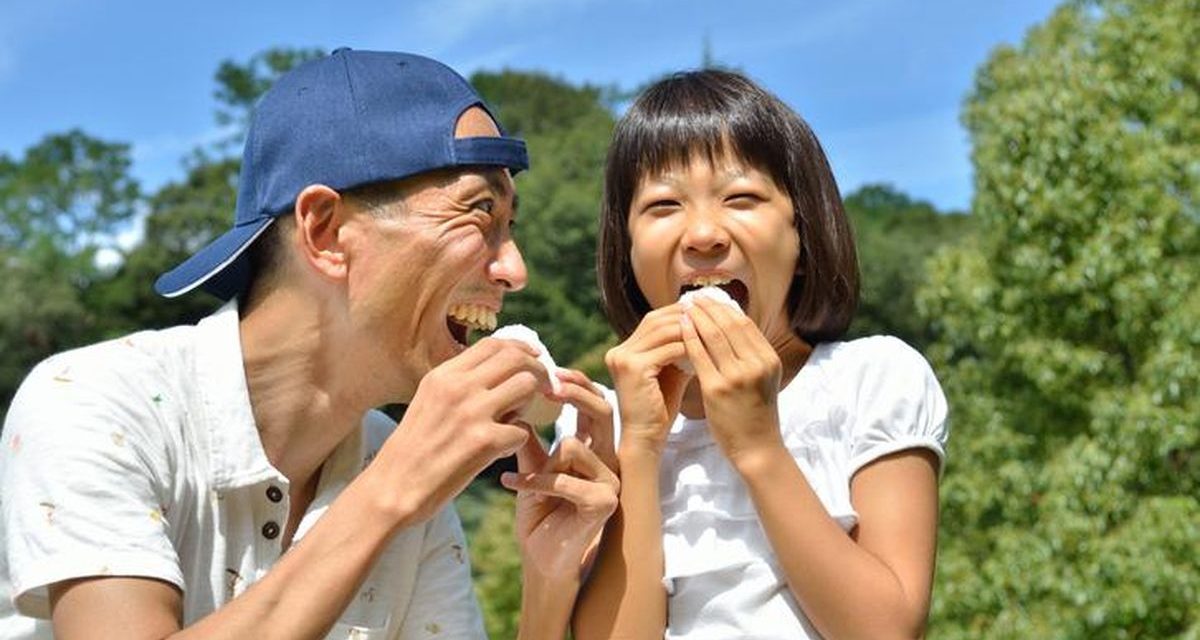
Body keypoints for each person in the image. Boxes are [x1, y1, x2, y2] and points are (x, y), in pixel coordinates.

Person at [0, 48, 618, 640]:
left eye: (510, 227)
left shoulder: (400, 470)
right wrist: (391, 493)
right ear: (324, 231)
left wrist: (547, 583)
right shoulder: (95, 404)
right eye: (478, 214)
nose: (515, 269)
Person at [566, 70, 949, 638]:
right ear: (626, 252)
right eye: (664, 205)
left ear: (802, 236)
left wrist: (757, 445)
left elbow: (887, 629)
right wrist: (640, 450)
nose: (703, 234)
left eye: (741, 197)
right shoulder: (600, 417)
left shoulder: (874, 377)